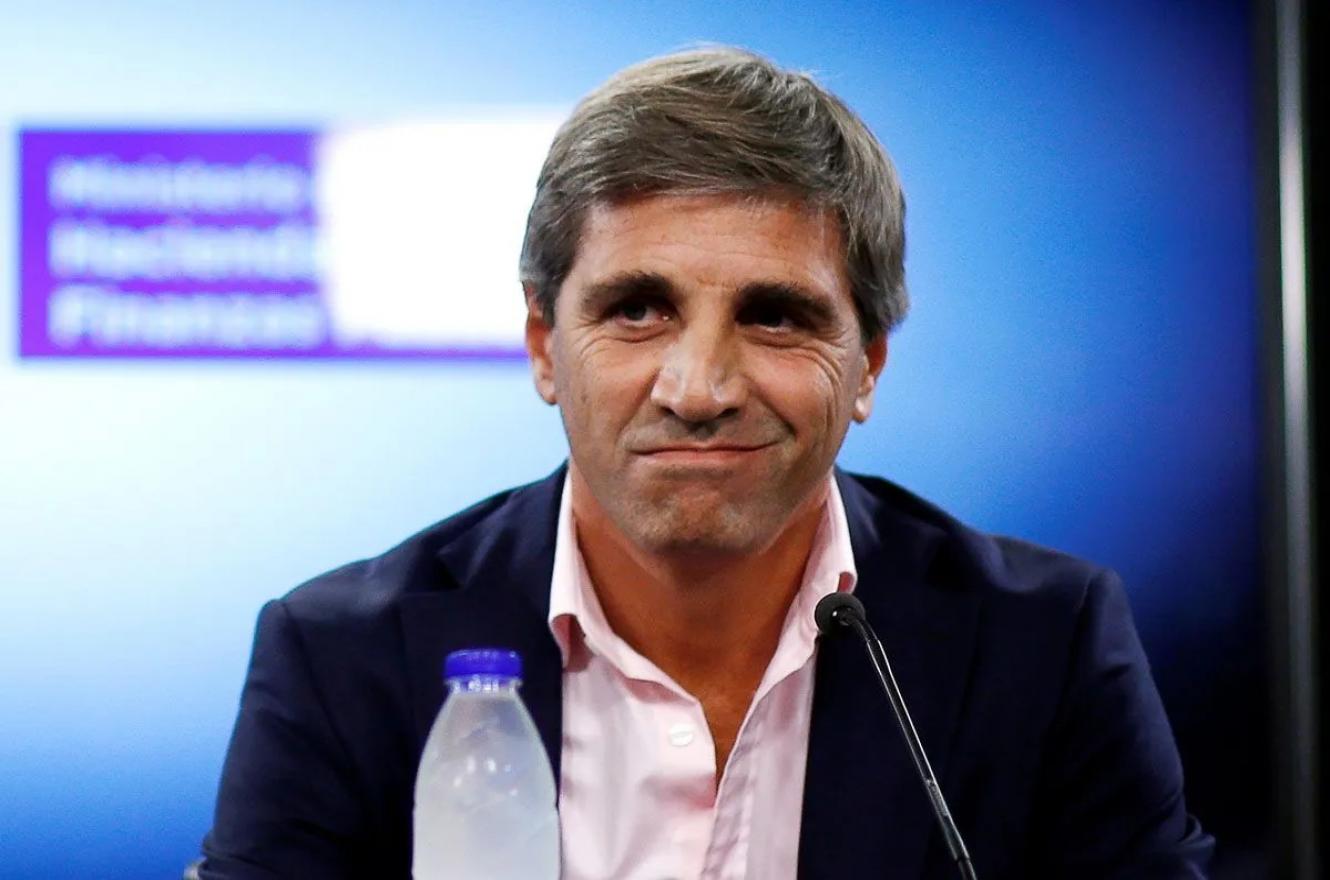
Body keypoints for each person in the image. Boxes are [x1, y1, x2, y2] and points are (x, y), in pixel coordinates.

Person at [199, 47, 1213, 879]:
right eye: (638, 309)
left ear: (867, 365)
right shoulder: (343, 659)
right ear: (546, 347)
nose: (698, 389)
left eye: (776, 316)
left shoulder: (1045, 645)